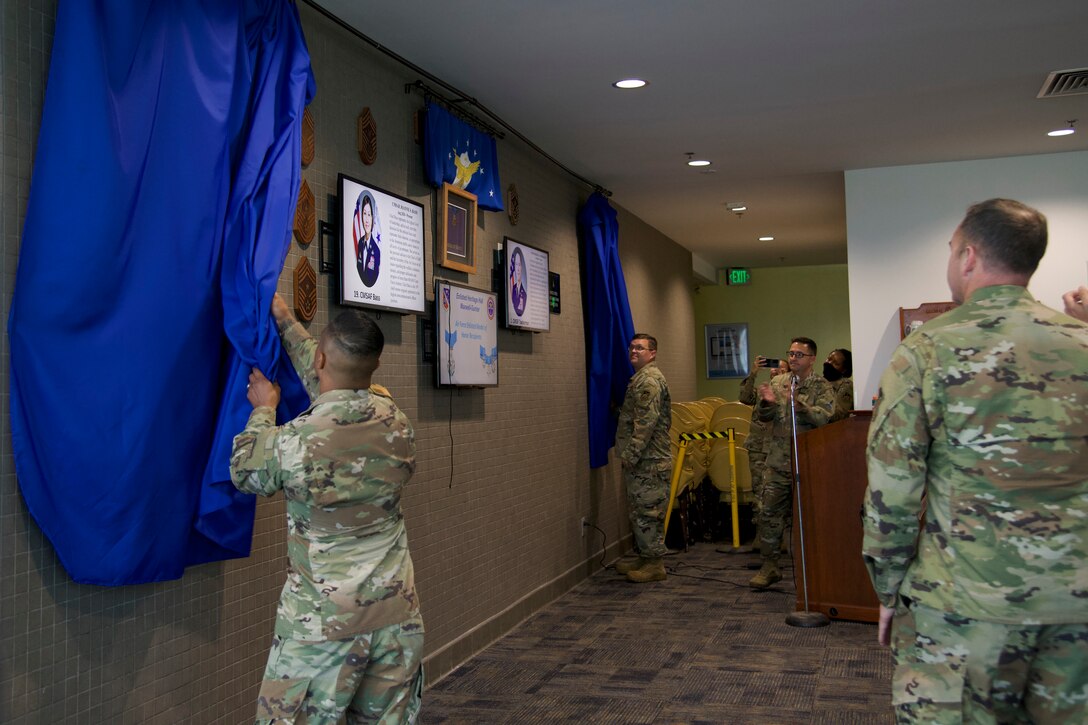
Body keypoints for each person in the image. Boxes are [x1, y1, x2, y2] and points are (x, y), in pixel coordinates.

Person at [862, 198, 1088, 723]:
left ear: (968, 256)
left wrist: (888, 587)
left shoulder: (927, 349)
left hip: (967, 606)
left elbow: (893, 488)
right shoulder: (1082, 342)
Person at [231, 294, 424, 723]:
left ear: (321, 358)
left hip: (323, 628)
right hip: (395, 619)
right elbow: (333, 384)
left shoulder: (295, 440)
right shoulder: (397, 422)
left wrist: (263, 411)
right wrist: (285, 321)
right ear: (374, 366)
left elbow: (246, 471)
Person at [749, 337, 833, 589]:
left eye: (799, 354)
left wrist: (803, 407)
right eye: (791, 353)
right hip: (777, 460)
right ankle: (770, 566)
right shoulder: (778, 382)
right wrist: (766, 403)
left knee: (808, 517)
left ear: (812, 359)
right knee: (769, 514)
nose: (793, 358)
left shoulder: (822, 387)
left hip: (808, 462)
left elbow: (825, 418)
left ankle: (812, 568)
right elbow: (763, 417)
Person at [613, 333, 672, 583]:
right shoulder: (640, 379)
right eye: (632, 347)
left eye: (640, 348)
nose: (634, 351)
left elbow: (646, 423)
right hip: (645, 460)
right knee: (640, 510)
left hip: (649, 461)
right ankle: (646, 557)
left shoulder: (649, 381)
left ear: (653, 353)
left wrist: (632, 454)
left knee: (648, 511)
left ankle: (655, 564)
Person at [739, 356, 789, 526]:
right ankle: (761, 533)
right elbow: (745, 397)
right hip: (758, 448)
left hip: (779, 450)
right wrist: (753, 373)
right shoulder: (763, 391)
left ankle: (782, 533)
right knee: (759, 491)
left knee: (778, 493)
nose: (776, 371)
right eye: (774, 368)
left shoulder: (789, 393)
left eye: (782, 369)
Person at [354, 191, 381, 288]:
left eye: (369, 214)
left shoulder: (376, 250)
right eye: (364, 213)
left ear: (373, 218)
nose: (366, 219)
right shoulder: (360, 243)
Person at [823, 348, 853, 422]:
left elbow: (839, 415)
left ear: (844, 370)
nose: (829, 363)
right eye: (829, 359)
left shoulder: (845, 385)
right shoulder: (819, 381)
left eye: (835, 363)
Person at [509, 247, 527, 316]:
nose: (518, 269)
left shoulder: (524, 295)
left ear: (521, 267)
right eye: (516, 264)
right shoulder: (511, 289)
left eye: (519, 265)